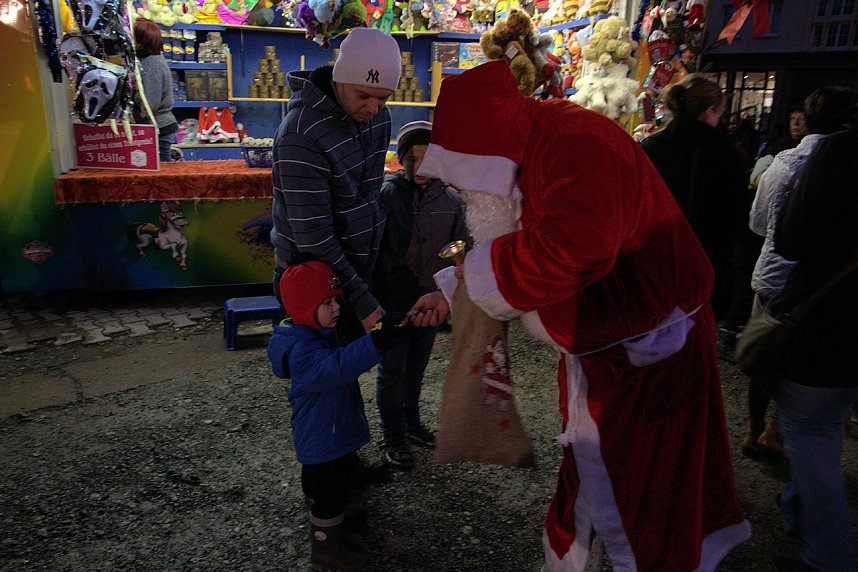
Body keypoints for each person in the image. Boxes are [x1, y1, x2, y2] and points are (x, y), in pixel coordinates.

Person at [410, 61, 750, 571]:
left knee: (646, 494)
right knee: (599, 475)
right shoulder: (536, 147)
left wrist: (478, 277)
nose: (466, 196)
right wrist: (453, 290)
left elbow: (573, 248)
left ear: (480, 157)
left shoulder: (572, 143)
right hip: (616, 354)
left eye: (462, 181)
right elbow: (522, 241)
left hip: (650, 355)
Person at [266, 259, 406, 571]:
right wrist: (375, 342)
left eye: (336, 300)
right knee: (325, 494)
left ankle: (344, 509)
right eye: (326, 303)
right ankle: (327, 554)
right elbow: (338, 367)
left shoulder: (318, 333)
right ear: (303, 308)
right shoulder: (301, 352)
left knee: (341, 478)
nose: (336, 308)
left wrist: (380, 332)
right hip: (320, 445)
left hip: (335, 435)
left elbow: (346, 356)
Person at [743, 86, 858, 461]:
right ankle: (780, 431)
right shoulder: (847, 161)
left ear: (806, 120)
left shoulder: (782, 163)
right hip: (827, 290)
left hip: (776, 277)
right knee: (805, 366)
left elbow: (758, 224)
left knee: (765, 352)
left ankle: (754, 429)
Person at [769, 100, 858, 572]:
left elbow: (790, 237)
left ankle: (829, 555)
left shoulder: (839, 153)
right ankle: (801, 511)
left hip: (830, 321)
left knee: (812, 432)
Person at [270, 27, 401, 340]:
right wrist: (361, 300)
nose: (373, 108)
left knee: (354, 371)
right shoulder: (300, 135)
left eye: (383, 98)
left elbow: (370, 196)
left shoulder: (379, 119)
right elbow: (314, 237)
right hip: (314, 283)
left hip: (358, 268)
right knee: (323, 378)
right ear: (339, 79)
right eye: (363, 95)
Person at [372, 120, 468, 468]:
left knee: (417, 367)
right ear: (401, 160)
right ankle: (393, 433)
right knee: (392, 368)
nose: (419, 167)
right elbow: (378, 253)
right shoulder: (386, 196)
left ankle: (411, 423)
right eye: (411, 159)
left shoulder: (451, 200)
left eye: (427, 159)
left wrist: (447, 295)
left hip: (432, 300)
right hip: (395, 302)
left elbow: (460, 251)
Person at [640, 73, 747, 322]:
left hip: (652, 266)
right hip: (703, 267)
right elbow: (736, 216)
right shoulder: (722, 152)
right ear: (709, 111)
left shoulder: (652, 146)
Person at [132, 18, 178, 163]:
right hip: (156, 126)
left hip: (158, 127)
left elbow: (150, 102)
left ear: (141, 41)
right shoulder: (149, 61)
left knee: (159, 177)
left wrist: (133, 95)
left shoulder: (153, 63)